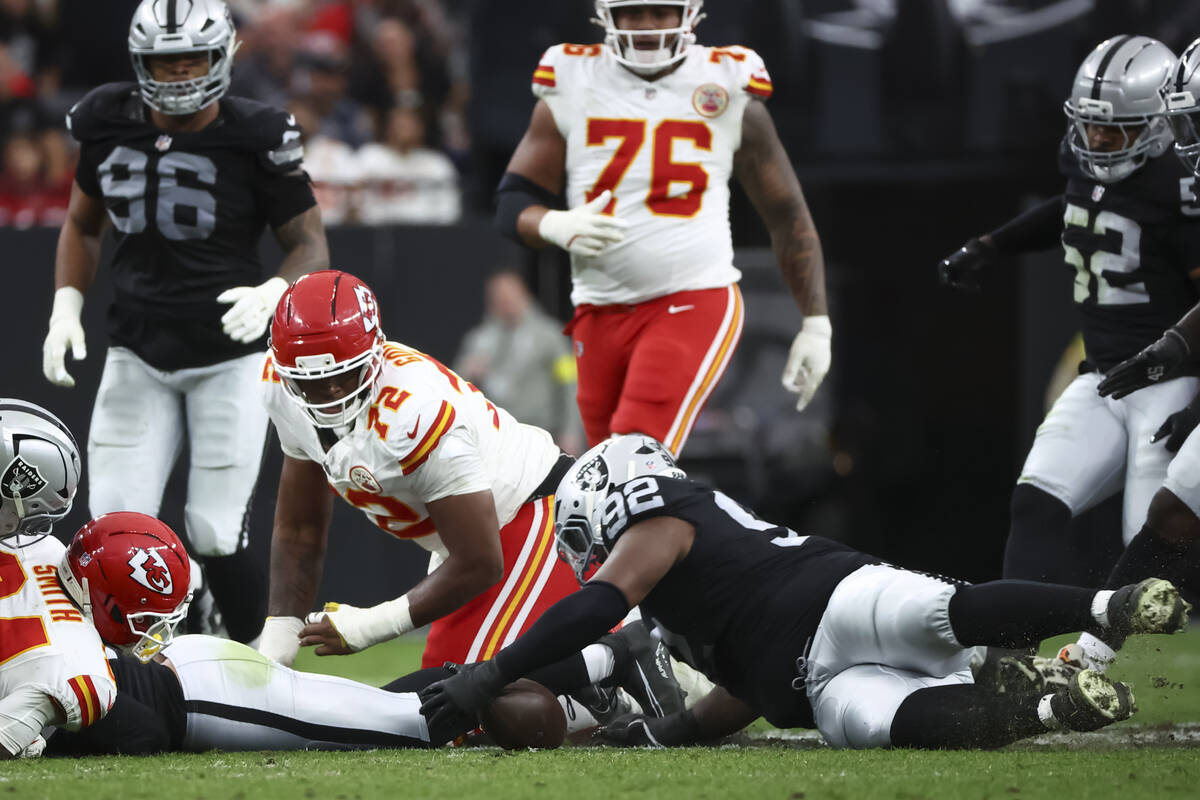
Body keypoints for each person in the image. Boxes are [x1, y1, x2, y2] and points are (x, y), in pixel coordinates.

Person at [418, 434, 1190, 750]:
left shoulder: (663, 521)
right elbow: (743, 690)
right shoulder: (677, 595)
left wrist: (491, 669)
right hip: (812, 682)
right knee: (887, 725)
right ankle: (1049, 708)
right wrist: (664, 736)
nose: (592, 556)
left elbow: (594, 608)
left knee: (943, 612)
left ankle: (1107, 606)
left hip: (833, 596)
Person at [255, 267, 677, 717]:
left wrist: (370, 625)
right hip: (471, 537)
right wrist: (278, 637)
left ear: (375, 351)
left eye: (345, 375)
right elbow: (299, 528)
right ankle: (592, 686)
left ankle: (611, 660)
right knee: (450, 706)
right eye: (312, 383)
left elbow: (480, 561)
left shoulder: (415, 412)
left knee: (447, 709)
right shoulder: (281, 390)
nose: (330, 395)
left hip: (532, 514)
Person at [40, 0, 329, 644]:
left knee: (215, 529)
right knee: (114, 528)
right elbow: (83, 224)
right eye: (162, 62)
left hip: (230, 354)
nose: (176, 75)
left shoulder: (256, 132)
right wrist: (66, 306)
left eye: (190, 59)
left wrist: (276, 289)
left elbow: (310, 243)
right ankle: (137, 655)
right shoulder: (105, 119)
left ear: (223, 53)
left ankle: (258, 663)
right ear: (138, 62)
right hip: (137, 348)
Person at [44, 511, 679, 754]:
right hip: (200, 681)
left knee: (418, 721)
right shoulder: (40, 586)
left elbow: (141, 726)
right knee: (398, 703)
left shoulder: (46, 628)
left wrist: (52, 728)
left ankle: (606, 656)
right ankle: (604, 660)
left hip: (201, 693)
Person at [494, 0, 831, 456]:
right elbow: (513, 202)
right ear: (607, 16)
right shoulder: (573, 79)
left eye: (661, 11)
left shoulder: (725, 83)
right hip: (598, 311)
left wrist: (816, 323)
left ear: (689, 14)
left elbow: (786, 213)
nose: (647, 26)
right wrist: (553, 223)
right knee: (602, 479)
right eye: (633, 12)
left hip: (691, 297)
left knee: (635, 459)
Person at [938, 36, 1200, 592]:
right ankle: (1014, 649)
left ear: (1159, 125)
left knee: (1152, 539)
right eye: (1090, 125)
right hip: (1104, 377)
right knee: (1037, 500)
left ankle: (1138, 668)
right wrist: (993, 244)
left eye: (1117, 129)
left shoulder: (1179, 188)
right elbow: (1078, 204)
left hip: (1170, 381)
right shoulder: (1088, 163)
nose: (1099, 139)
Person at [0, 399, 115, 759]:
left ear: (18, 500)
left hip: (158, 695)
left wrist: (26, 716)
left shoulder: (42, 560)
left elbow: (82, 685)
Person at [454, 269, 585, 453]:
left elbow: (570, 382)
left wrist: (571, 429)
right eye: (498, 298)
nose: (505, 302)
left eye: (510, 296)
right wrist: (467, 372)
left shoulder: (549, 336)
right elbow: (454, 385)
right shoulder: (479, 340)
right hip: (495, 437)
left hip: (541, 434)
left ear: (524, 295)